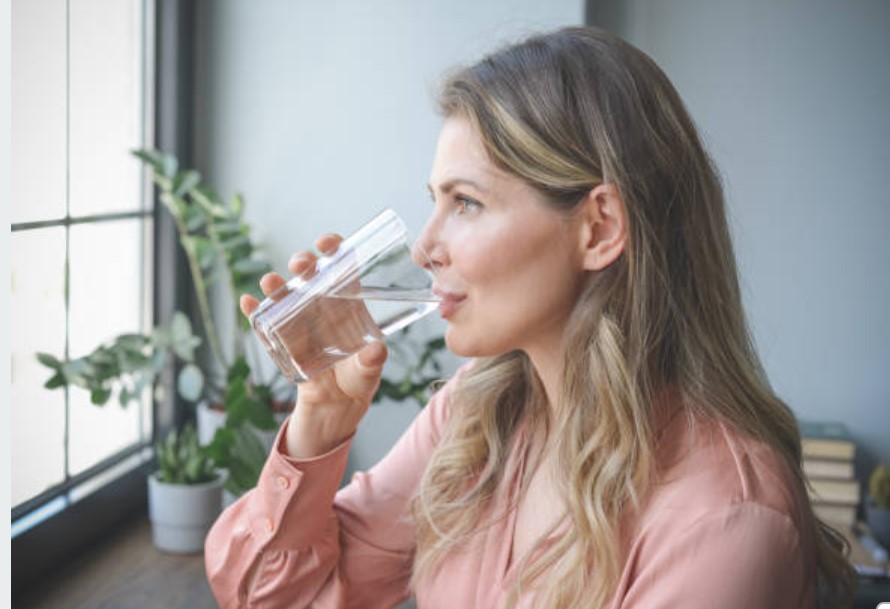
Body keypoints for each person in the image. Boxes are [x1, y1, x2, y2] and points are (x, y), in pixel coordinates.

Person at [204, 26, 854, 608]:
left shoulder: (724, 523)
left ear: (599, 227)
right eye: (434, 200)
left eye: (466, 203)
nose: (425, 248)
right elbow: (277, 597)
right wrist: (320, 418)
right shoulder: (478, 413)